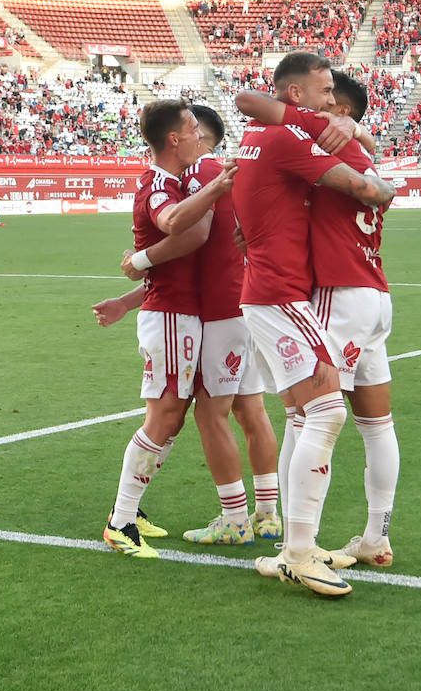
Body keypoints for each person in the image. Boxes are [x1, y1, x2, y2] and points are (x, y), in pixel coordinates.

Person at [232, 51, 396, 597]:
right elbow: (369, 190)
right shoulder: (291, 137)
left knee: (313, 415)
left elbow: (251, 109)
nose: (330, 101)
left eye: (334, 96)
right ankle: (301, 549)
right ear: (298, 95)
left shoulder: (277, 137)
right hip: (298, 293)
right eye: (324, 92)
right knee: (325, 415)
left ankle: (297, 546)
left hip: (294, 292)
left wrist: (352, 130)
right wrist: (370, 160)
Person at [100, 104, 287, 547]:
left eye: (195, 130)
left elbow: (194, 236)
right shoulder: (180, 180)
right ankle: (262, 515)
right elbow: (181, 239)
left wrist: (138, 264)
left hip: (211, 312)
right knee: (225, 411)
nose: (194, 137)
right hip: (222, 307)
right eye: (188, 130)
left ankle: (229, 518)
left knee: (196, 414)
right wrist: (131, 293)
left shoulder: (199, 173)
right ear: (178, 138)